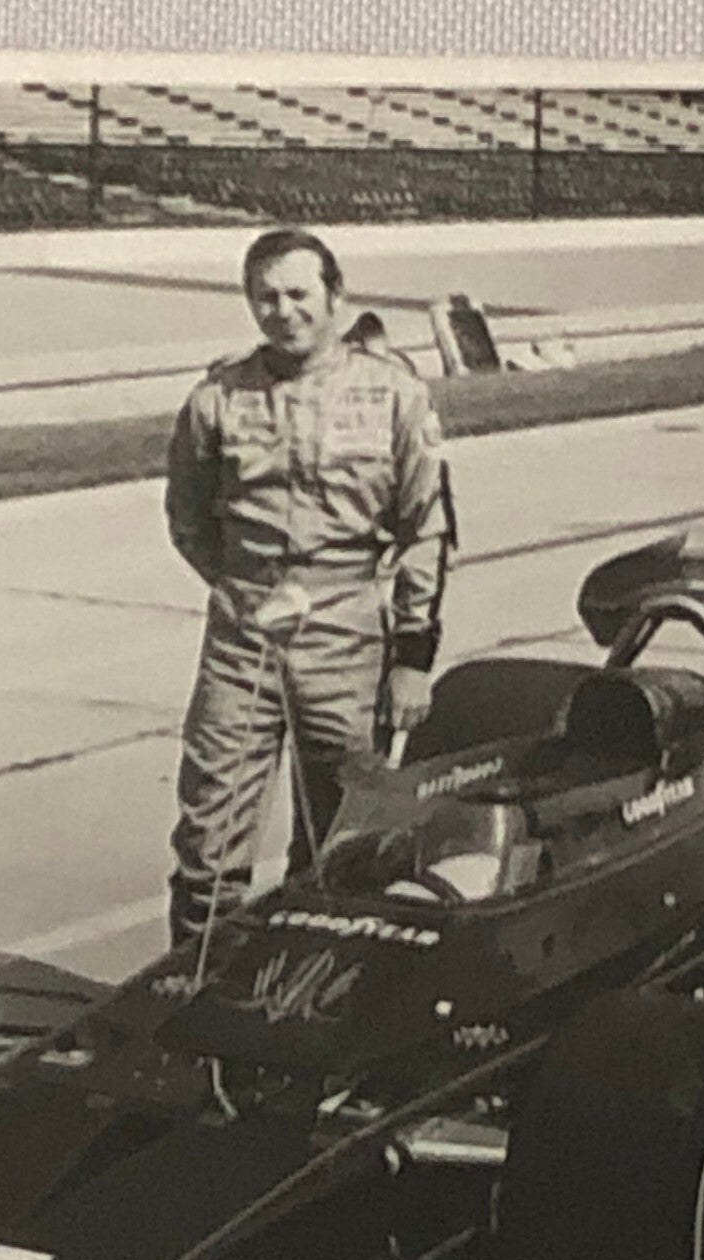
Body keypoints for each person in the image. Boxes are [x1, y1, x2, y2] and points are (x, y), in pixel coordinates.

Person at [164, 227, 456, 947]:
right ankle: (195, 997)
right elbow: (188, 518)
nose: (282, 311)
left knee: (344, 839)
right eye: (265, 297)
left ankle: (318, 998)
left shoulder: (393, 395)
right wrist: (244, 589)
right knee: (209, 836)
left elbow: (426, 528)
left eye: (298, 294)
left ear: (336, 297)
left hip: (347, 634)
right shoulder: (216, 400)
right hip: (244, 635)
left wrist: (414, 656)